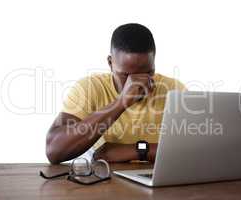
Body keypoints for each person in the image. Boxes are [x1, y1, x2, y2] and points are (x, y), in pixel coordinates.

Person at [46, 23, 186, 164]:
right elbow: (54, 151)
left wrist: (136, 151)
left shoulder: (174, 90)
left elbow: (193, 151)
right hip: (105, 180)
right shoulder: (89, 88)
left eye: (147, 73)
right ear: (110, 62)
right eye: (126, 75)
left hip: (155, 179)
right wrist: (121, 102)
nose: (136, 83)